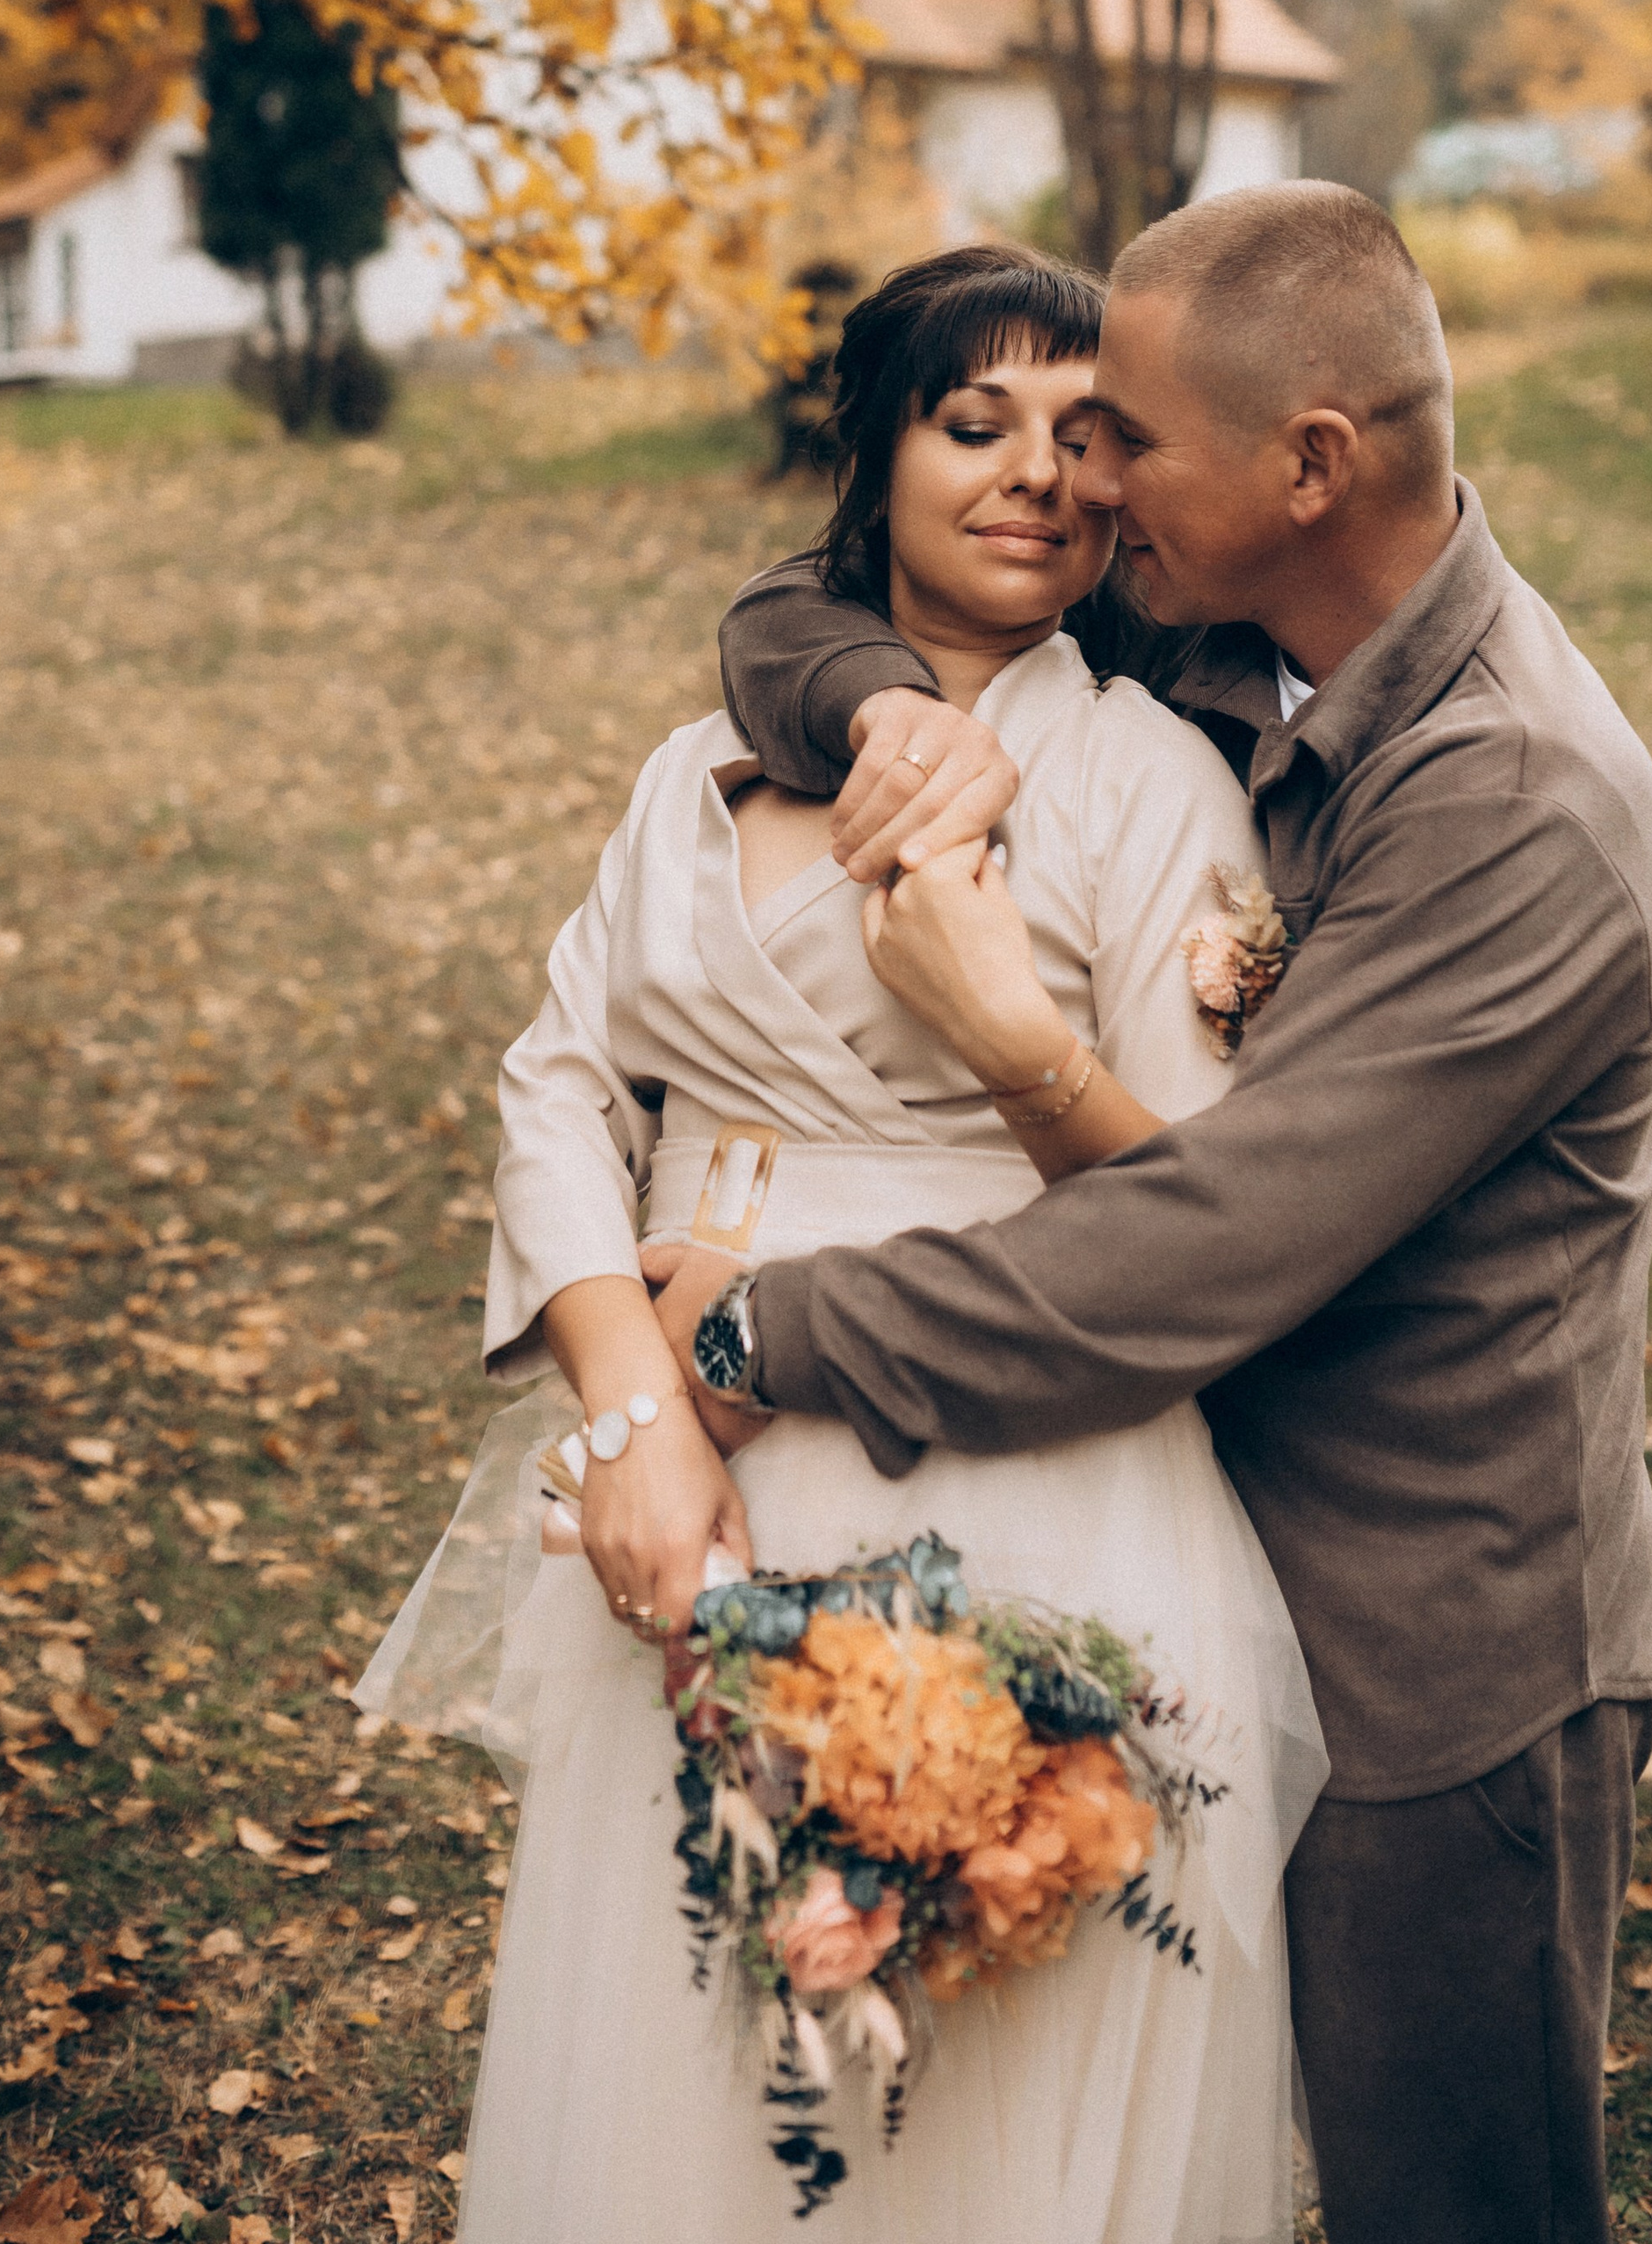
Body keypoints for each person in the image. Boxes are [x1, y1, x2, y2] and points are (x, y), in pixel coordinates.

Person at [653, 179, 1652, 2244]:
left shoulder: (1515, 811)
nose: (1074, 476)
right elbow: (798, 598)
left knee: (1442, 2202)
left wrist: (756, 1331)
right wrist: (883, 708)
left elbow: (1204, 1245)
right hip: (1201, 1564)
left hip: (1432, 1648)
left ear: (1306, 465)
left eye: (1121, 432)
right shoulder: (1243, 613)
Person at [362, 243, 1325, 2244]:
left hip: (1004, 1465)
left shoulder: (1150, 790)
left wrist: (1011, 1041)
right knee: (686, 2040)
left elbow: (1186, 1205)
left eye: (1084, 438)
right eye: (972, 424)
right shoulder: (693, 769)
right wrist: (633, 1423)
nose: (1033, 476)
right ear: (870, 451)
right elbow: (561, 1082)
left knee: (962, 2074)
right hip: (690, 1488)